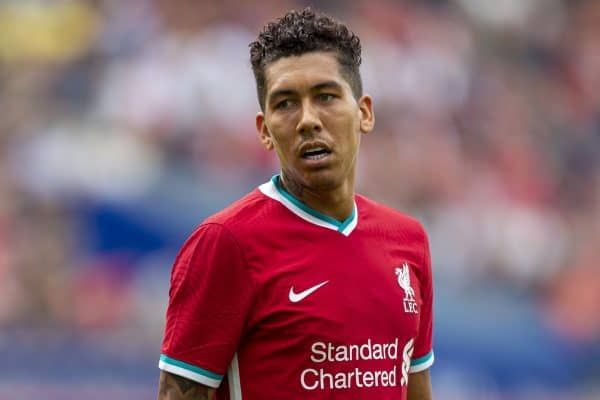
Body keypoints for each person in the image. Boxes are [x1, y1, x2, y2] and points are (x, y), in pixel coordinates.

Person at [157, 7, 434, 400]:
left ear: (364, 113)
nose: (307, 119)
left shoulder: (408, 240)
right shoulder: (225, 243)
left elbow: (415, 390)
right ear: (264, 130)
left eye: (326, 96)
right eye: (285, 103)